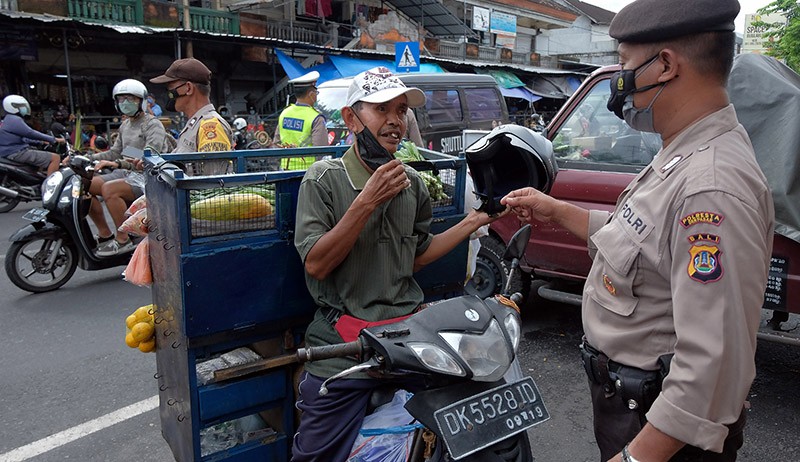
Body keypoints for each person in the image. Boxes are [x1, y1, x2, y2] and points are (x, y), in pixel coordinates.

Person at [501, 1, 775, 461]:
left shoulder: (710, 185)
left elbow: (713, 366)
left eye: (626, 65)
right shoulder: (682, 150)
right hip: (629, 405)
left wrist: (636, 457)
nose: (619, 81)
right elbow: (645, 244)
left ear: (665, 65)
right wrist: (556, 210)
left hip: (661, 434)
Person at [292, 67, 500, 461]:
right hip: (343, 344)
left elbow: (416, 257)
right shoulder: (324, 180)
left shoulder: (412, 185)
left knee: (469, 428)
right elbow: (317, 265)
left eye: (401, 110)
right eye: (382, 109)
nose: (395, 121)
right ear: (352, 118)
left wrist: (473, 222)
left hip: (407, 337)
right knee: (314, 454)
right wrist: (366, 202)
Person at [85, 79, 168, 256]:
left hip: (147, 177)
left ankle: (123, 239)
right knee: (84, 185)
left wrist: (118, 163)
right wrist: (88, 157)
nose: (125, 103)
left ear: (142, 101)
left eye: (130, 99)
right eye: (121, 99)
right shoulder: (125, 125)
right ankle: (105, 234)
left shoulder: (152, 125)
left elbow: (150, 156)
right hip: (126, 173)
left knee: (109, 189)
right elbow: (115, 152)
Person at [150, 57, 232, 174]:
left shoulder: (210, 126)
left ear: (188, 88)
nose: (168, 95)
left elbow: (213, 182)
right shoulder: (193, 124)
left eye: (171, 89)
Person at [271, 70, 327, 170]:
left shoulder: (285, 113)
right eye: (316, 92)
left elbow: (276, 144)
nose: (316, 96)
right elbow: (321, 151)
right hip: (307, 172)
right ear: (310, 94)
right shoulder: (316, 118)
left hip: (285, 170)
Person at [0, 95, 64, 175]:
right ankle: (51, 186)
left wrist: (41, 142)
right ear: (13, 107)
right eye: (21, 106)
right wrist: (53, 139)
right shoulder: (14, 119)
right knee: (55, 158)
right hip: (15, 152)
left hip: (9, 152)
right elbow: (30, 133)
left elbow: (24, 138)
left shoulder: (7, 119)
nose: (24, 108)